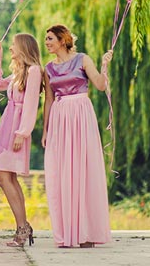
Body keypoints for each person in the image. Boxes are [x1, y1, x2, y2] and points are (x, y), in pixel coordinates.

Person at [42, 25, 113, 248]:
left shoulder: (83, 59)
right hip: (59, 118)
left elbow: (100, 85)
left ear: (63, 40)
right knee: (61, 172)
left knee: (83, 169)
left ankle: (86, 231)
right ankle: (66, 233)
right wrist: (45, 130)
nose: (47, 42)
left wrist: (104, 65)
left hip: (81, 113)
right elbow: (49, 100)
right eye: (46, 39)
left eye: (50, 38)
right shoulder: (48, 68)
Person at [0, 33, 42, 247]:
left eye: (13, 45)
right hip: (8, 126)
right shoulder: (17, 74)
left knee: (3, 176)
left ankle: (22, 228)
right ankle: (23, 227)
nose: (11, 47)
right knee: (8, 177)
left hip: (18, 128)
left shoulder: (34, 71)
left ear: (23, 47)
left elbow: (31, 104)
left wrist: (23, 132)